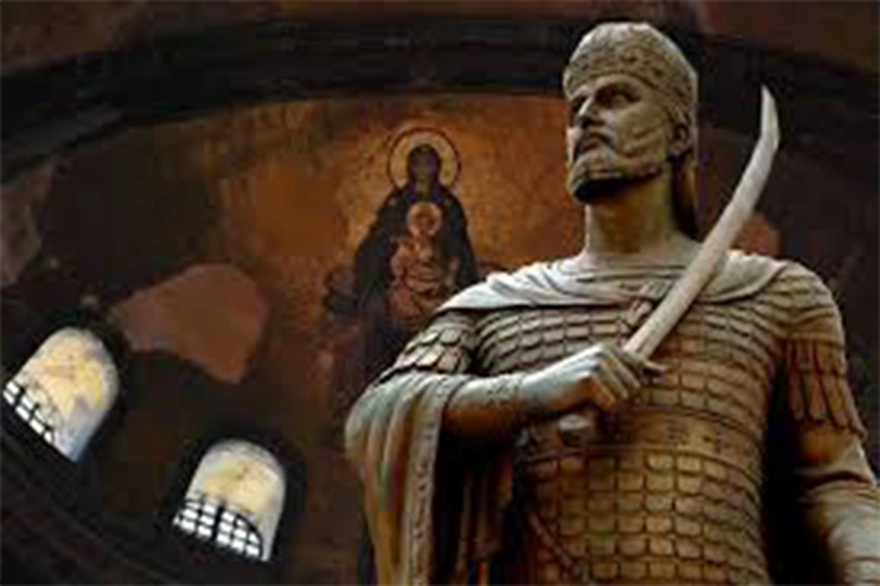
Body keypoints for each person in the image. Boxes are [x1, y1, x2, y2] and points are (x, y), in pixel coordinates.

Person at [346, 23, 879, 585]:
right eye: (576, 108)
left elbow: (833, 481)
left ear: (679, 133)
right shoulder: (497, 306)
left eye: (616, 98)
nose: (586, 119)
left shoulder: (779, 296)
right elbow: (375, 419)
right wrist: (536, 392)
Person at [353, 144, 479, 378]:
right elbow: (379, 240)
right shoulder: (396, 201)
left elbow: (460, 245)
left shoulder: (448, 203)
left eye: (428, 164)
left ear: (438, 168)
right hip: (404, 279)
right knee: (383, 309)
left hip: (440, 278)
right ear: (409, 168)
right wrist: (394, 245)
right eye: (418, 165)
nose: (423, 170)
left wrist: (446, 259)